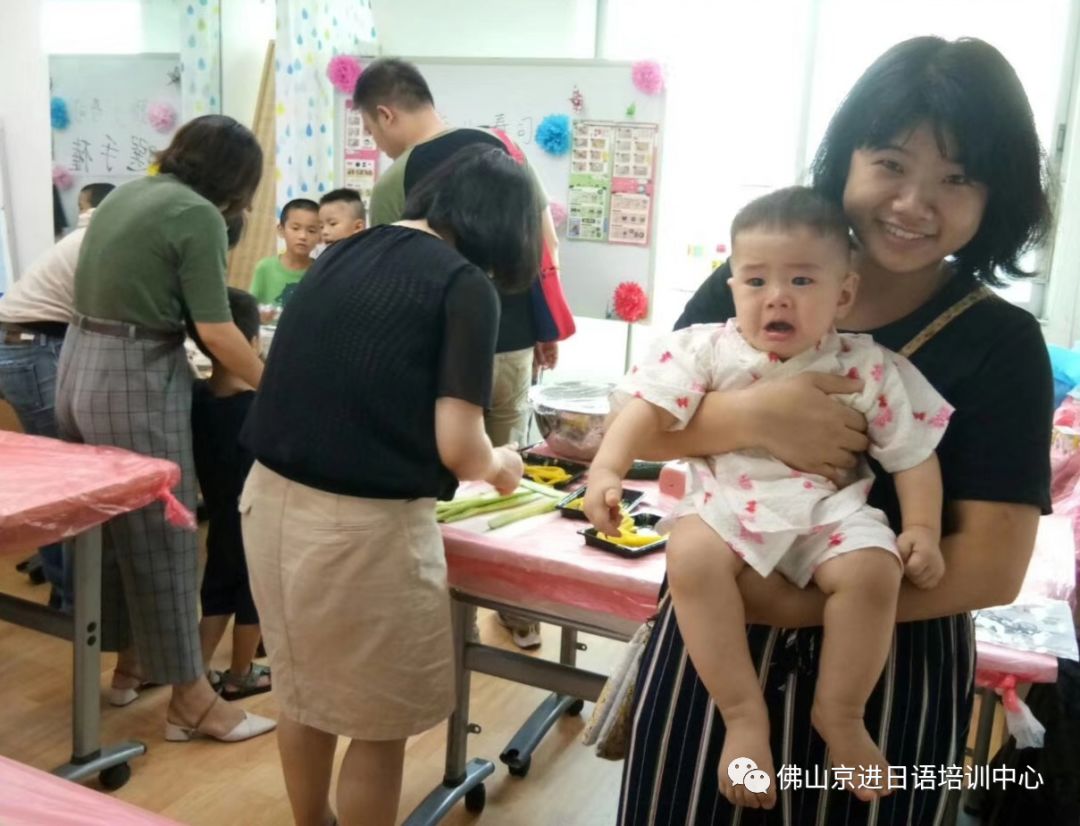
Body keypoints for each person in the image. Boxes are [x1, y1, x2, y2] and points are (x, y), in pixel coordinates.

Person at [619, 36, 1053, 825]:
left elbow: (994, 568)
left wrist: (796, 608)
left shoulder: (1001, 343)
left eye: (956, 178)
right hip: (715, 643)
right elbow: (648, 422)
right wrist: (752, 416)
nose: (915, 203)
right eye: (891, 163)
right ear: (846, 158)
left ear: (999, 196)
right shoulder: (754, 276)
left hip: (889, 665)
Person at [588, 187, 952, 809]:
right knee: (691, 554)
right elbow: (645, 411)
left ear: (843, 294)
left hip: (825, 511)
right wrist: (606, 468)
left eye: (802, 280)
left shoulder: (865, 366)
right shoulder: (704, 349)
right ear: (731, 287)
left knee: (874, 568)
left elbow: (913, 452)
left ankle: (839, 713)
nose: (776, 296)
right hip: (727, 506)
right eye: (756, 280)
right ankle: (743, 717)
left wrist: (921, 526)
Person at [239, 145, 537, 826]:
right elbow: (460, 448)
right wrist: (501, 467)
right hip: (359, 530)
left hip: (267, 500)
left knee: (303, 694)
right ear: (504, 225)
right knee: (377, 722)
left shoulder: (345, 249)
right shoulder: (464, 285)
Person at [55, 115, 274, 743]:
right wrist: (276, 388)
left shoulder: (131, 192)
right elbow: (217, 331)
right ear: (236, 179)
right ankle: (192, 701)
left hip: (79, 366)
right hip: (132, 373)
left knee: (114, 533)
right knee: (167, 537)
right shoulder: (197, 213)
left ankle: (131, 669)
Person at [358, 56, 570, 649]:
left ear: (385, 112)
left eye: (373, 132)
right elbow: (543, 239)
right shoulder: (501, 149)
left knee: (444, 471)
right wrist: (542, 322)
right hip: (511, 339)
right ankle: (519, 610)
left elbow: (389, 274)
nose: (377, 143)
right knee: (504, 472)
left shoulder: (396, 179)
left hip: (440, 355)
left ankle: (447, 615)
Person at [0, 180, 114, 610]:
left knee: (55, 479)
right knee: (62, 481)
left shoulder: (92, 236)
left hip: (28, 346)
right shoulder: (102, 242)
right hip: (32, 347)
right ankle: (71, 600)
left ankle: (66, 591)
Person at [189, 286, 271, 700]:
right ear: (253, 343)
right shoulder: (256, 408)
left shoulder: (198, 398)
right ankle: (240, 674)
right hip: (256, 518)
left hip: (220, 512)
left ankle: (196, 675)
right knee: (253, 591)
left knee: (217, 587)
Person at [250, 198, 319, 307]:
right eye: (295, 228)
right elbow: (251, 309)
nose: (303, 236)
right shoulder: (265, 268)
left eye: (311, 231)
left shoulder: (321, 272)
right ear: (281, 230)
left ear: (320, 236)